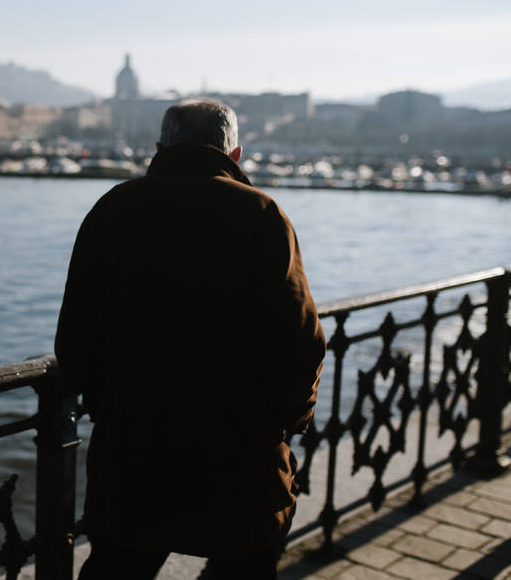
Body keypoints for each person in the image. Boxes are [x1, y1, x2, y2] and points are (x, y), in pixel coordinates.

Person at [54, 98, 326, 580]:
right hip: (239, 453)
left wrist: (110, 408)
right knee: (242, 564)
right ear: (235, 155)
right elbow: (300, 341)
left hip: (134, 448)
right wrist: (285, 422)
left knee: (120, 565)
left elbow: (75, 339)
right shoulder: (263, 214)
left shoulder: (113, 209)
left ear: (160, 148)